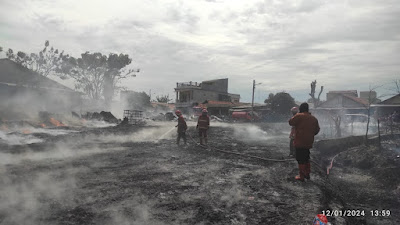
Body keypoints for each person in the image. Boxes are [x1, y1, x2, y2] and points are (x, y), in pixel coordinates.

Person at [289, 103, 320, 181]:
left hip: (299, 141)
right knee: (306, 157)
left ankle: (301, 176)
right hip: (309, 141)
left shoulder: (299, 116)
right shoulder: (313, 118)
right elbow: (317, 130)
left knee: (300, 158)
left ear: (300, 109)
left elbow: (290, 122)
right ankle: (307, 173)